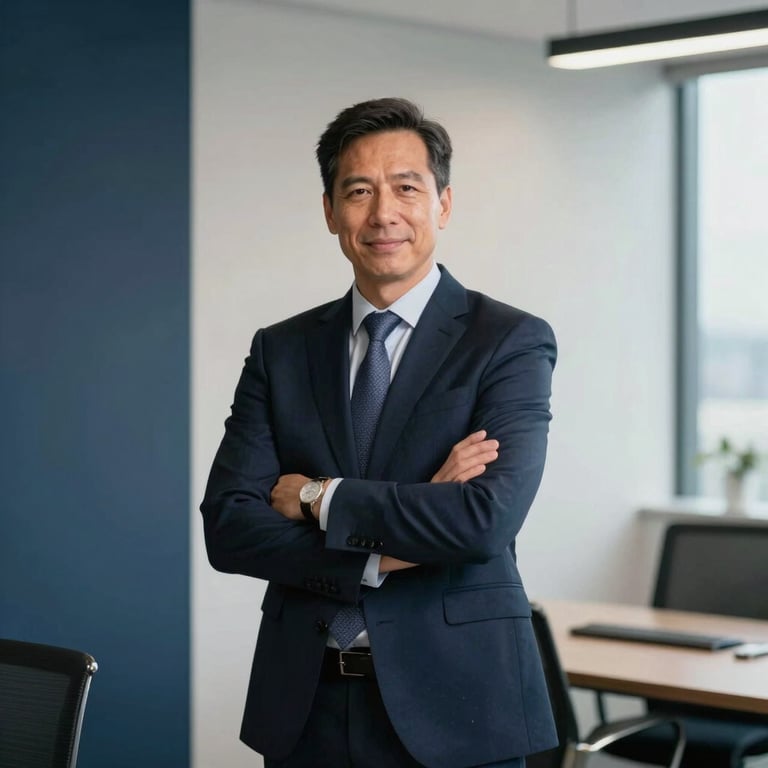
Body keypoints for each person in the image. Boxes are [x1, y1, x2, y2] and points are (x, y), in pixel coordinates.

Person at [201, 97, 558, 768]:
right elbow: (228, 526)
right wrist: (383, 553)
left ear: (443, 205)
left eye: (406, 188)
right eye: (358, 191)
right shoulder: (281, 350)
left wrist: (317, 500)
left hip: (459, 708)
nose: (382, 212)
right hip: (306, 706)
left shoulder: (508, 340)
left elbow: (483, 520)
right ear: (331, 211)